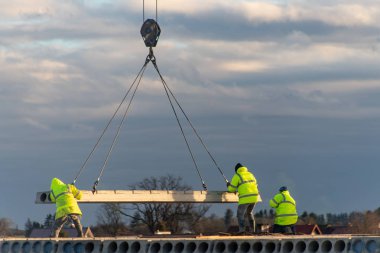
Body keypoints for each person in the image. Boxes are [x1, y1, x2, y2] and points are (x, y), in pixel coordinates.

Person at [227, 163, 260, 234]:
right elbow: (255, 185)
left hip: (245, 198)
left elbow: (231, 189)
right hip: (255, 197)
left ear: (236, 170)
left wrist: (228, 185)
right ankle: (252, 230)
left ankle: (242, 230)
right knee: (250, 213)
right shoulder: (250, 174)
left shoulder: (237, 175)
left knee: (240, 214)